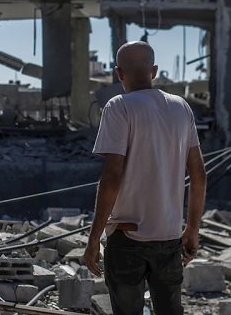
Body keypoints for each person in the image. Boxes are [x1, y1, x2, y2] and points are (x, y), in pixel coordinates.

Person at [83, 41, 207, 315]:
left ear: (119, 73)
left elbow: (112, 177)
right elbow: (198, 175)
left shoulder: (119, 107)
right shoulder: (181, 107)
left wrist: (93, 239)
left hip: (128, 236)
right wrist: (192, 229)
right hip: (169, 237)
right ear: (154, 71)